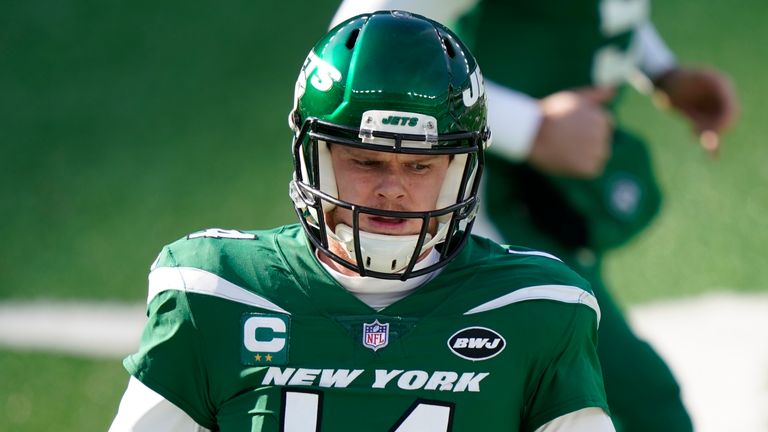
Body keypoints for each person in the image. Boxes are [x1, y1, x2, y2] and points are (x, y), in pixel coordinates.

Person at [109, 10, 617, 432]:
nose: (392, 188)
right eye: (365, 161)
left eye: (420, 165)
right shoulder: (218, 294)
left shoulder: (535, 308)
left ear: (461, 169)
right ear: (315, 156)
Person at [331, 2, 738, 432]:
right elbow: (362, 38)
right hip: (489, 208)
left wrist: (662, 71)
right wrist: (530, 128)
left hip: (553, 202)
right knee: (639, 403)